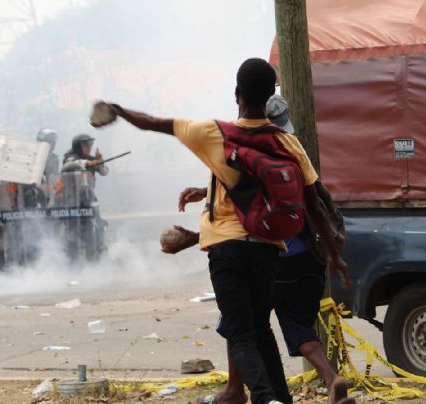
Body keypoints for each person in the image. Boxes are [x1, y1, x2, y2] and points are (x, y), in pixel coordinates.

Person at [93, 58, 349, 404]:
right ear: (270, 93)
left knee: (240, 332)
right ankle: (274, 398)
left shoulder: (216, 134)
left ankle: (261, 396)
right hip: (269, 249)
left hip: (227, 250)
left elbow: (154, 123)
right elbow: (315, 205)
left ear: (237, 93)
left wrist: (119, 110)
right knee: (258, 330)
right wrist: (334, 254)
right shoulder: (288, 144)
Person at [170, 95, 352, 404]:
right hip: (307, 258)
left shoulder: (244, 152)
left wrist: (193, 235)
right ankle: (332, 379)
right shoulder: (292, 150)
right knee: (299, 328)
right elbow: (313, 205)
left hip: (274, 256)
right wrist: (333, 255)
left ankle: (236, 390)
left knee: (238, 322)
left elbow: (241, 205)